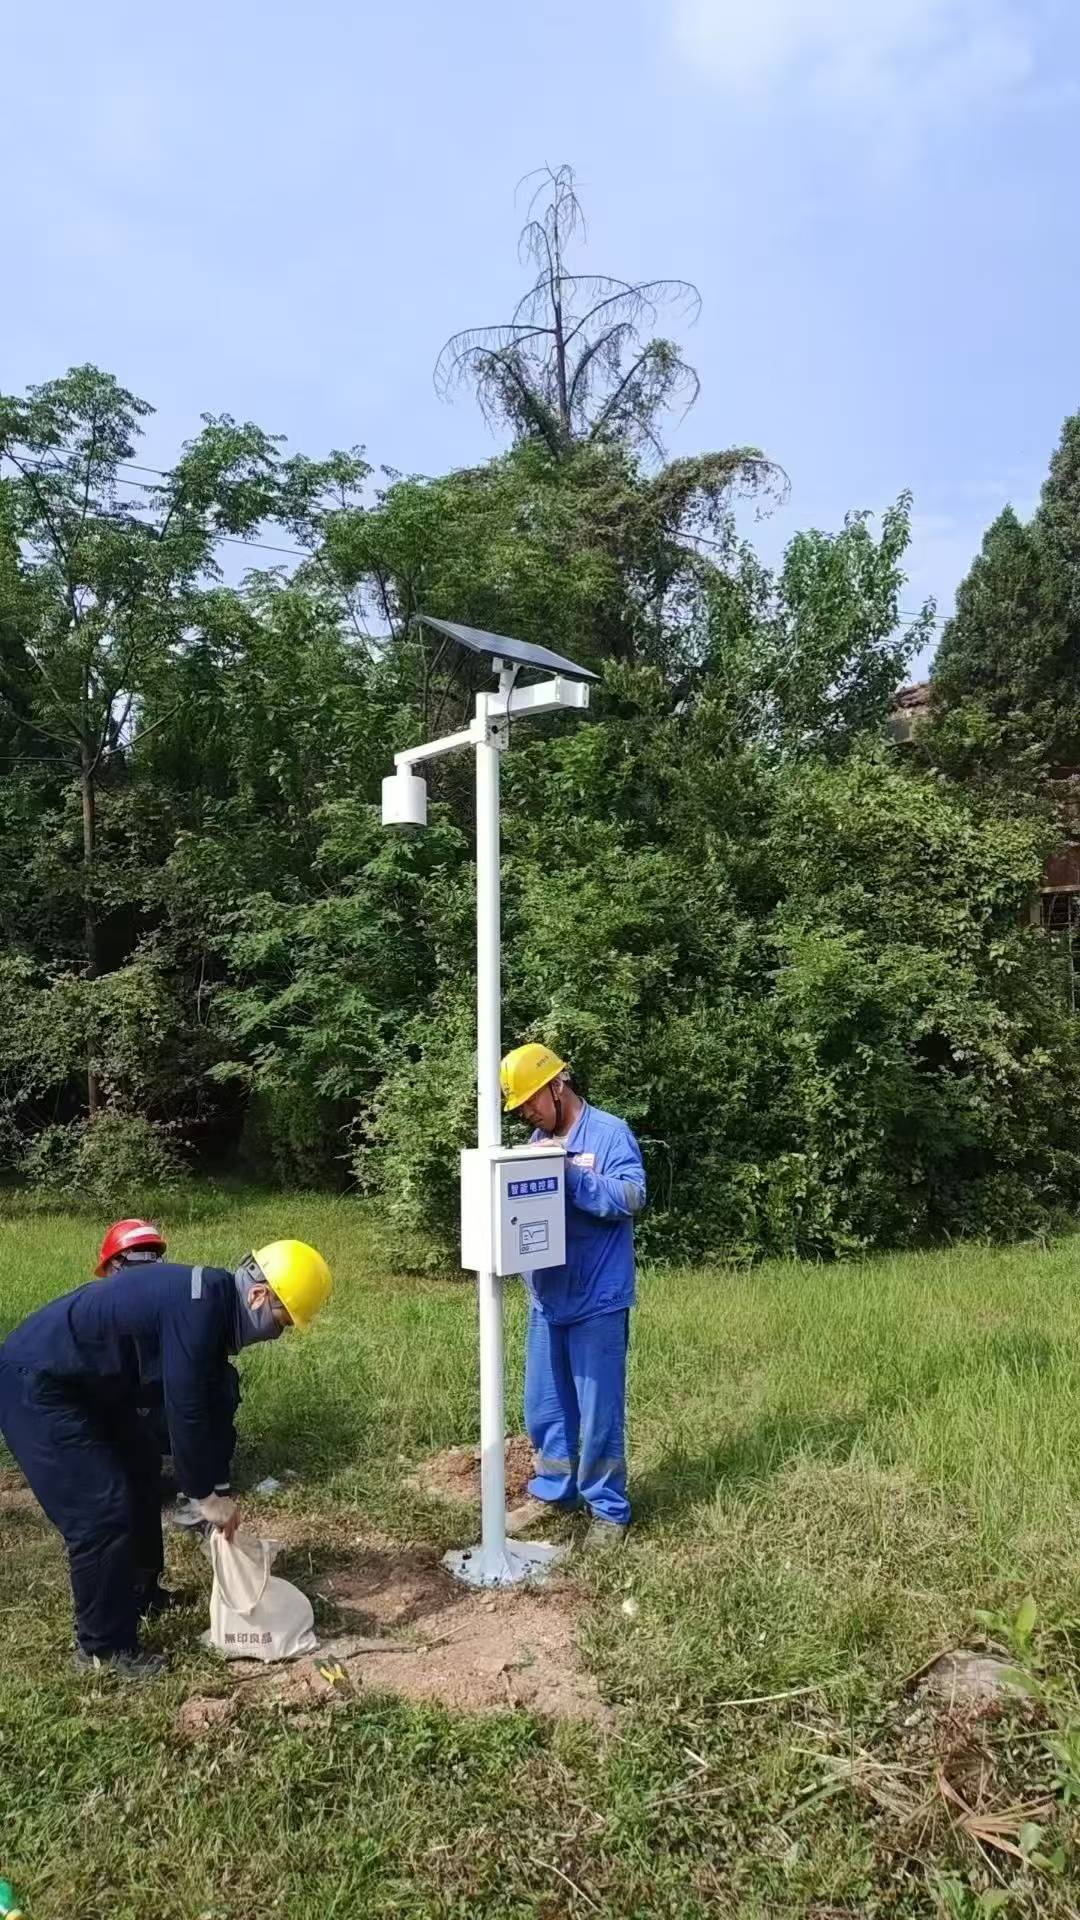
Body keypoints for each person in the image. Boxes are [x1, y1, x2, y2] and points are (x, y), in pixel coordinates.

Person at [0, 1239, 332, 1679]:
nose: (277, 1333)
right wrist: (202, 1496)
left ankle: (140, 1594)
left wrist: (217, 1487)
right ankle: (103, 1651)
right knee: (101, 1510)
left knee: (140, 1469)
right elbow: (185, 1405)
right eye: (281, 1320)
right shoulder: (201, 1307)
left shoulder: (208, 1305)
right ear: (257, 1296)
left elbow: (210, 1410)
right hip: (37, 1384)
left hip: (90, 1389)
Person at [500, 1044, 645, 1548]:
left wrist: (572, 1174)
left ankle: (608, 1510)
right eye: (517, 1108)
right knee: (545, 1408)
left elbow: (632, 1196)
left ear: (557, 1086)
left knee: (599, 1409)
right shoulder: (537, 1142)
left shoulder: (609, 1133)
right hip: (548, 1299)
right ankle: (553, 1491)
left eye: (529, 1102)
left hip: (599, 1300)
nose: (524, 1113)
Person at [96, 1219, 240, 1528]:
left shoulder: (111, 1307)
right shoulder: (186, 1303)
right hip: (169, 1421)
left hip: (154, 1418)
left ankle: (155, 1483)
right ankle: (199, 1480)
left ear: (115, 1265)